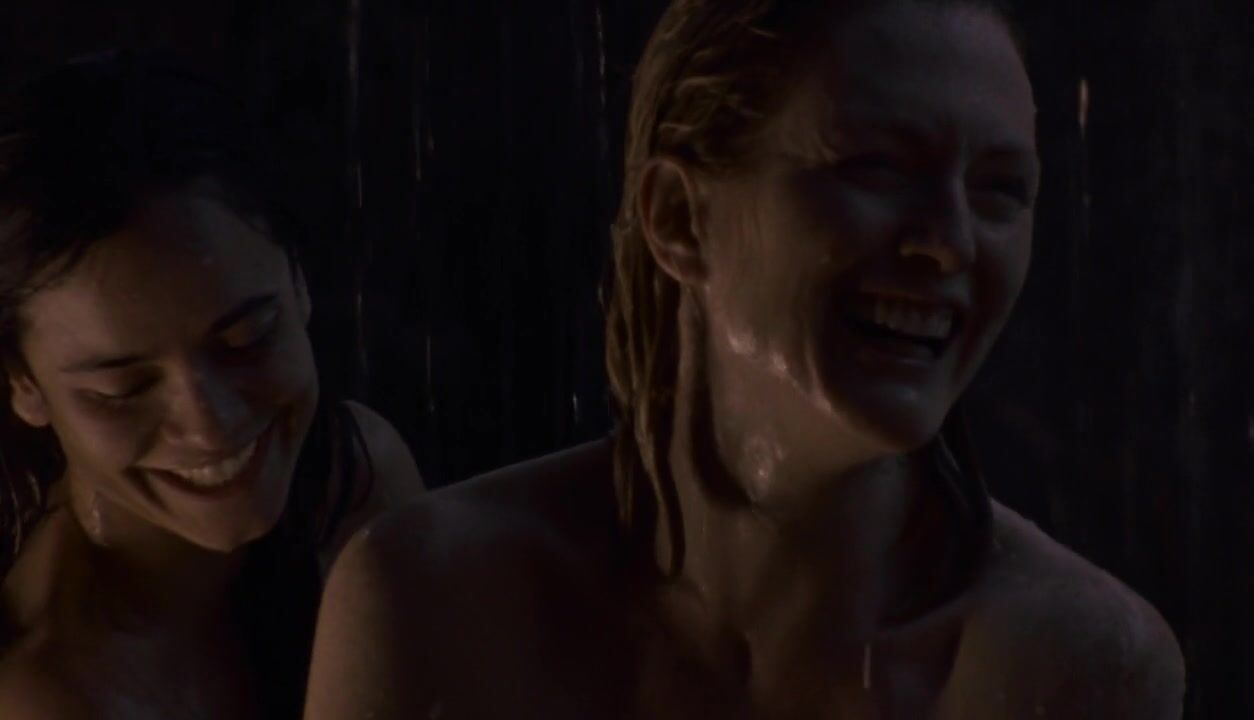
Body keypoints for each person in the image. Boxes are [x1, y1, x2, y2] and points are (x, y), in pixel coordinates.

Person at [306, 0, 1185, 717]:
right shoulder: (440, 602)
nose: (951, 244)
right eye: (878, 167)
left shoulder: (1073, 666)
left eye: (1000, 191)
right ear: (680, 219)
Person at [0, 53, 424, 719]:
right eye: (123, 388)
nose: (210, 424)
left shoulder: (352, 477)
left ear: (299, 281)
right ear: (24, 385)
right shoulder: (44, 691)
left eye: (248, 340)